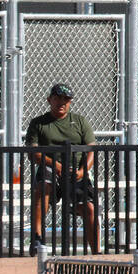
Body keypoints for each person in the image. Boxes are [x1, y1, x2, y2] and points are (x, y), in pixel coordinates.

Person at [25, 84, 98, 253]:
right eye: (57, 98)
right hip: (50, 167)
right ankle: (37, 240)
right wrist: (57, 165)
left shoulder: (80, 121)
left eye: (66, 99)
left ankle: (96, 251)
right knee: (42, 188)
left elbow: (91, 149)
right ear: (49, 100)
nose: (62, 102)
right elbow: (33, 153)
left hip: (76, 171)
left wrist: (83, 171)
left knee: (89, 208)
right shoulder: (38, 123)